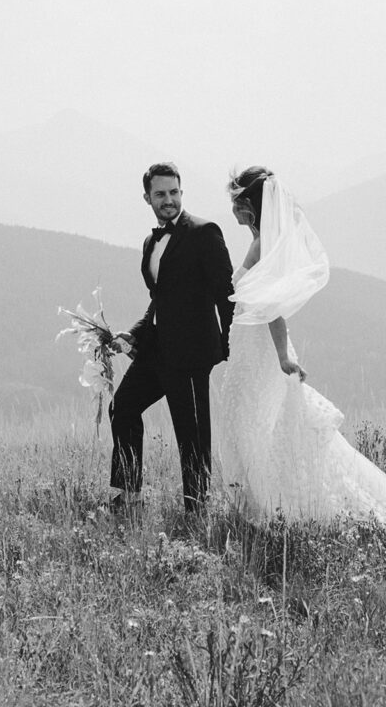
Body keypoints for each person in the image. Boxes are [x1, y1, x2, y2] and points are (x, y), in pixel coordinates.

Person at [212, 165, 386, 536]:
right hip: (250, 346)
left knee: (249, 420)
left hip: (261, 350)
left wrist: (282, 358)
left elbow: (272, 307)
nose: (231, 208)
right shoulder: (264, 240)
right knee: (251, 421)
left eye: (235, 200)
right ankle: (258, 505)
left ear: (247, 203)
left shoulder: (264, 246)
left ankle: (271, 505)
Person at [110, 162, 234, 514]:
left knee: (191, 436)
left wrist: (227, 349)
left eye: (174, 192)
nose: (169, 200)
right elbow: (159, 301)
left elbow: (226, 296)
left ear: (182, 192)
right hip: (156, 351)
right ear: (147, 197)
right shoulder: (151, 241)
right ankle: (128, 495)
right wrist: (133, 335)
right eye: (161, 194)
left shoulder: (205, 232)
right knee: (123, 408)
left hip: (193, 355)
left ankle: (196, 509)